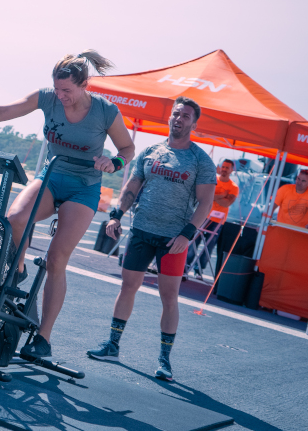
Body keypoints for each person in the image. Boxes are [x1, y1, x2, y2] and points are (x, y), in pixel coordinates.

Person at [0, 51, 135, 361]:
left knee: (56, 259)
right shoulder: (48, 98)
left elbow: (127, 147)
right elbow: (5, 111)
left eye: (67, 90)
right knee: (13, 219)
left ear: (84, 85)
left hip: (84, 187)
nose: (61, 96)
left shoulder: (105, 112)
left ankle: (43, 337)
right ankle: (19, 272)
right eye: (57, 89)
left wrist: (115, 162)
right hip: (51, 177)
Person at [92, 97, 216, 381]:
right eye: (176, 114)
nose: (179, 119)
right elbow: (131, 186)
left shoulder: (201, 161)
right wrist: (116, 215)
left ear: (194, 123)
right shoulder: (150, 151)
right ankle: (112, 345)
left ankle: (164, 359)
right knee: (128, 287)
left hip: (173, 240)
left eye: (185, 116)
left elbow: (205, 204)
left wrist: (187, 235)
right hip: (141, 231)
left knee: (169, 297)